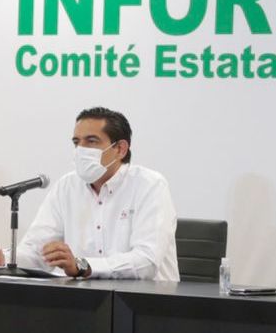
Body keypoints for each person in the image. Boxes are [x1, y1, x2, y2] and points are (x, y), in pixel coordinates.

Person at [11, 106, 179, 280]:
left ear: (120, 149)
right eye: (76, 142)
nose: (80, 150)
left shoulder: (150, 185)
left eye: (91, 141)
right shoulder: (67, 186)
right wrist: (3, 259)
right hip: (82, 294)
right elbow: (36, 252)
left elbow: (146, 262)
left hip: (144, 294)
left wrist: (82, 266)